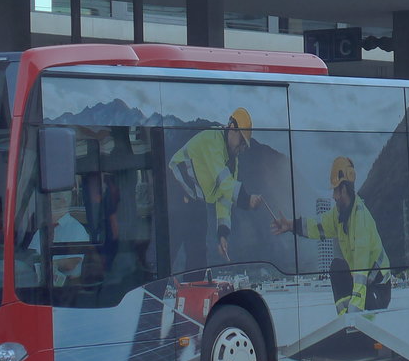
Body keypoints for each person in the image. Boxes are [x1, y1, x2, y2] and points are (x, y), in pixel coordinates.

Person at [272, 156, 392, 315]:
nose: (333, 196)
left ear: (344, 189)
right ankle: (343, 317)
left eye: (335, 190)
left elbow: (361, 273)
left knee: (361, 307)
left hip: (378, 288)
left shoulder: (360, 220)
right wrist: (290, 225)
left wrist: (354, 316)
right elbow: (318, 226)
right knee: (337, 267)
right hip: (363, 282)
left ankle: (354, 323)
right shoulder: (339, 214)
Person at [168, 107, 262, 270]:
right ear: (232, 128)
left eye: (245, 146)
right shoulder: (212, 139)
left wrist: (223, 235)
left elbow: (224, 198)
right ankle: (153, 291)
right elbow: (225, 182)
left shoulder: (233, 161)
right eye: (242, 142)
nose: (242, 149)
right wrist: (247, 200)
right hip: (174, 191)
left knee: (198, 254)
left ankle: (194, 292)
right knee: (170, 247)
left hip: (194, 199)